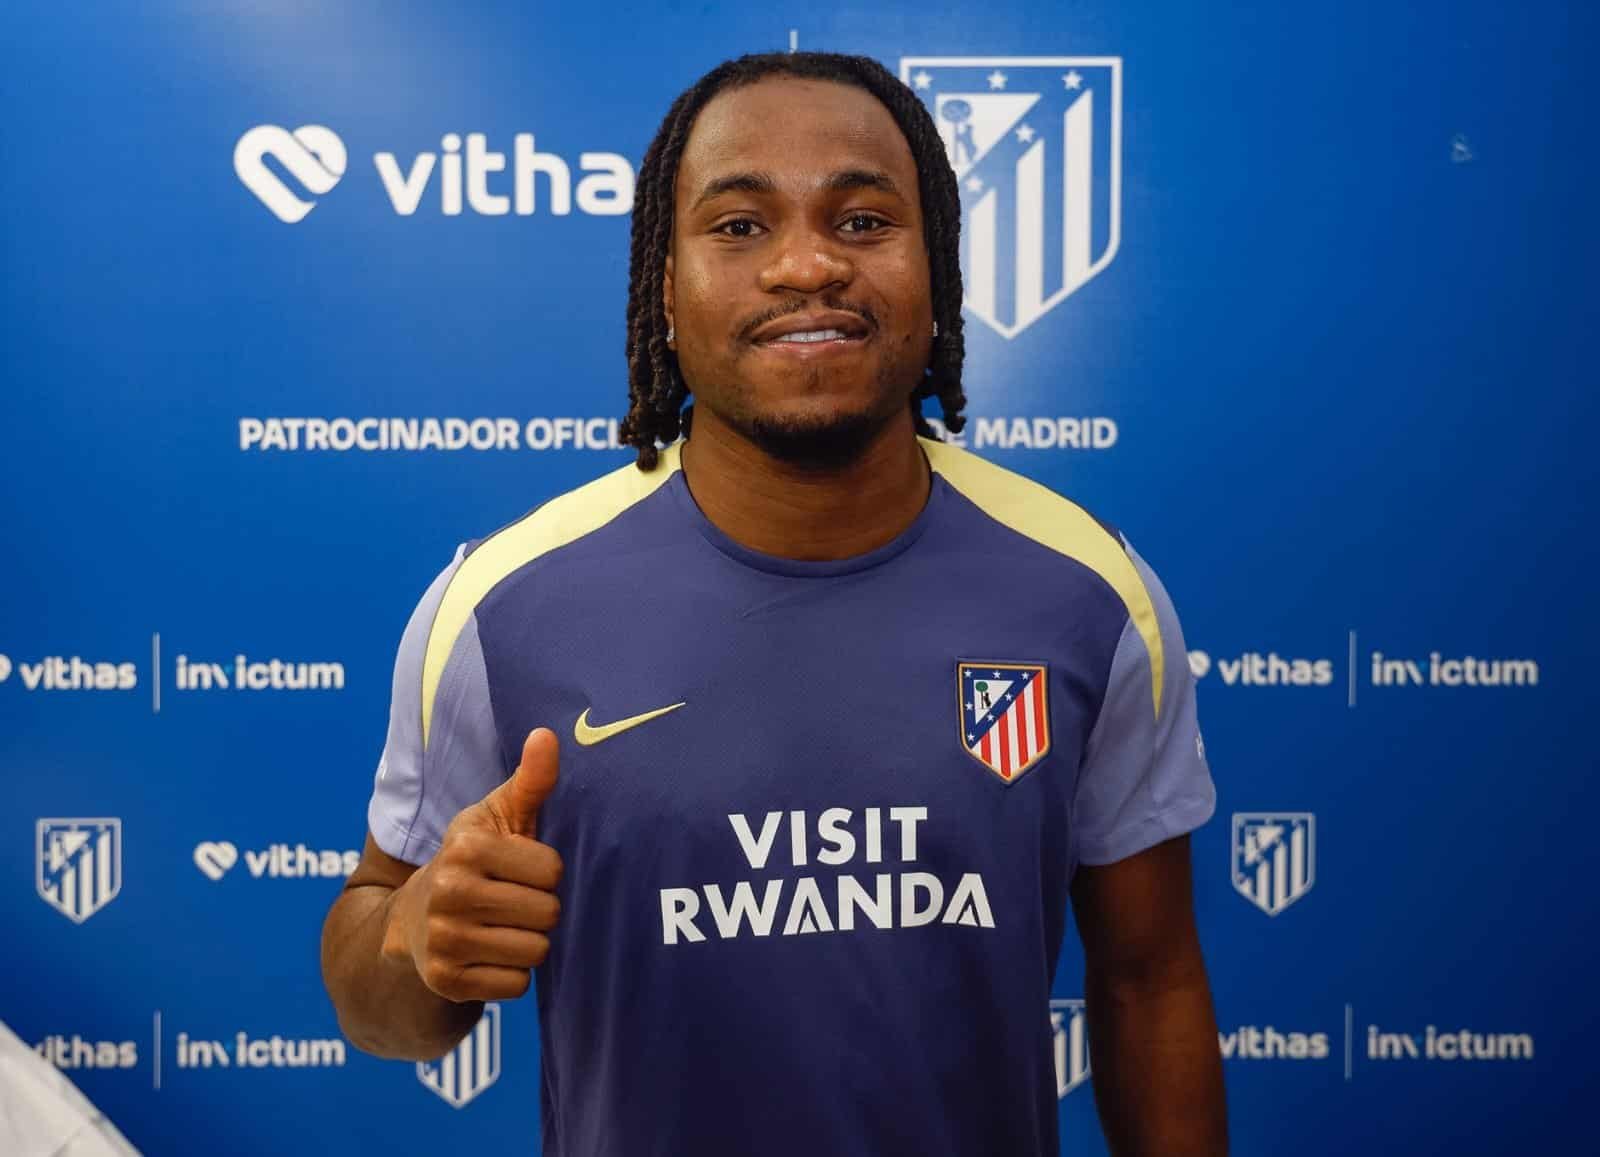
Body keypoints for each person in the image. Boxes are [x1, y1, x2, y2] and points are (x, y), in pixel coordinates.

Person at [321, 50, 1227, 1157]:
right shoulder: (502, 605)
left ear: (933, 265)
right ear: (663, 284)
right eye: (740, 227)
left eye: (861, 221)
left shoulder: (1086, 589)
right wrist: (417, 939)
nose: (806, 265)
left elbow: (1147, 979)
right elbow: (380, 998)